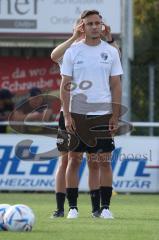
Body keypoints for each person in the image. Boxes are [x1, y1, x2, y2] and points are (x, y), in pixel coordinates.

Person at [51, 16, 121, 218]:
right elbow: (54, 56)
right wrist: (74, 36)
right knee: (67, 161)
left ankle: (99, 208)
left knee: (97, 161)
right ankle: (63, 208)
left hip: (99, 114)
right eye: (88, 23)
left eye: (96, 23)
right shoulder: (72, 50)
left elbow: (117, 71)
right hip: (71, 113)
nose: (93, 26)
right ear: (81, 25)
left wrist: (109, 39)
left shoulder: (109, 50)